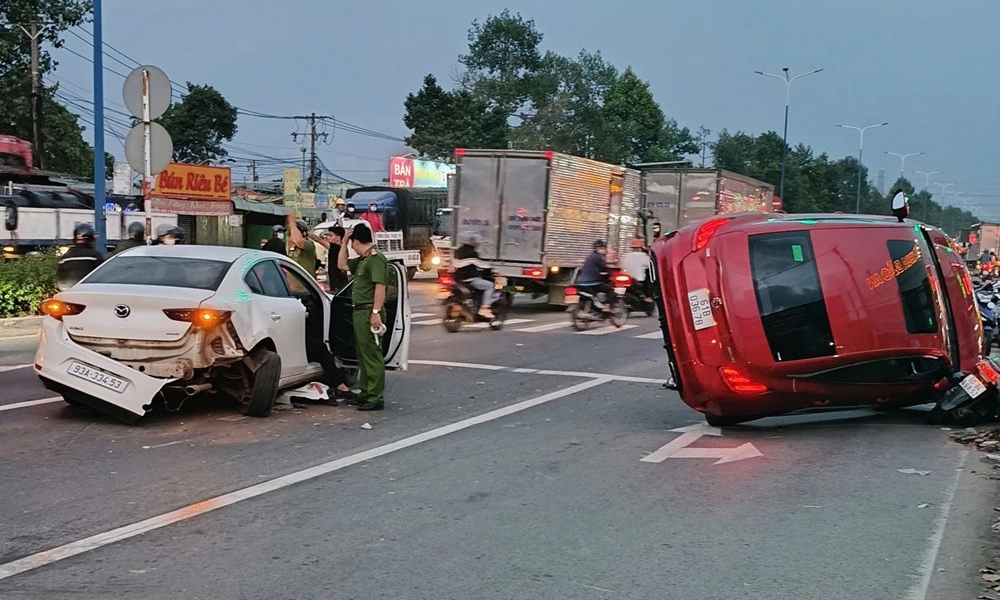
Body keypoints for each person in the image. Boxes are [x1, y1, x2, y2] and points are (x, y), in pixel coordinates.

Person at [337, 223, 388, 412]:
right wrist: (343, 242)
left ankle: (375, 397)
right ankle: (366, 393)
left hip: (369, 311)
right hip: (359, 311)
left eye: (352, 244)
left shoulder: (376, 259)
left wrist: (375, 313)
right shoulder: (363, 260)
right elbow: (341, 264)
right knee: (363, 355)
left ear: (357, 241)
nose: (352, 248)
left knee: (372, 355)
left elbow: (380, 287)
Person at [453, 232, 498, 318]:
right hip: (470, 279)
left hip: (458, 280)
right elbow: (480, 264)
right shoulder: (472, 252)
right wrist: (491, 268)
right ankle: (484, 308)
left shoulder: (458, 251)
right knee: (490, 286)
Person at [57, 223, 104, 291]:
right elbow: (102, 275)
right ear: (90, 239)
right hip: (86, 291)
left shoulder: (66, 257)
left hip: (66, 292)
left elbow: (60, 276)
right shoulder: (94, 256)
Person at [577, 239, 613, 312]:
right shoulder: (598, 257)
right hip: (592, 283)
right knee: (611, 291)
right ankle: (606, 307)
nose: (602, 250)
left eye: (603, 248)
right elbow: (604, 268)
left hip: (581, 283)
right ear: (596, 248)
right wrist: (611, 273)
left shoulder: (589, 257)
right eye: (600, 248)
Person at [324, 225, 349, 291]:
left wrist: (307, 233)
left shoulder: (334, 247)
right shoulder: (343, 249)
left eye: (330, 235)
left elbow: (317, 239)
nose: (328, 237)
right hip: (341, 283)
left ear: (338, 238)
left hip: (337, 285)